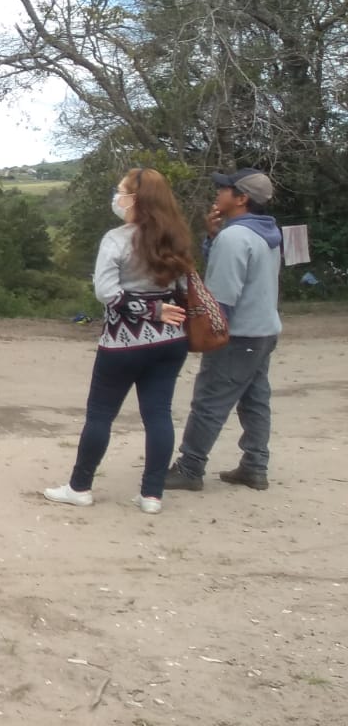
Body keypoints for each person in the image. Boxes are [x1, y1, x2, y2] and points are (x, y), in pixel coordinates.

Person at [43, 167, 194, 515]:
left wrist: (149, 310)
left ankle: (80, 487)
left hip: (123, 343)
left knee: (100, 415)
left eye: (122, 191)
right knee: (158, 415)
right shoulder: (177, 239)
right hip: (171, 341)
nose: (117, 196)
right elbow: (186, 290)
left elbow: (106, 292)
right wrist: (161, 309)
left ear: (136, 199)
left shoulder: (116, 239)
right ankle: (152, 495)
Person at [163, 169, 283, 492]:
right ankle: (255, 466)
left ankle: (190, 468)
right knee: (255, 399)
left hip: (238, 333)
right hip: (264, 329)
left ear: (241, 198)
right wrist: (214, 236)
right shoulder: (266, 231)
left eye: (225, 189)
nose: (218, 192)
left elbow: (221, 298)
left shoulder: (234, 238)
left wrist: (208, 334)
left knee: (209, 400)